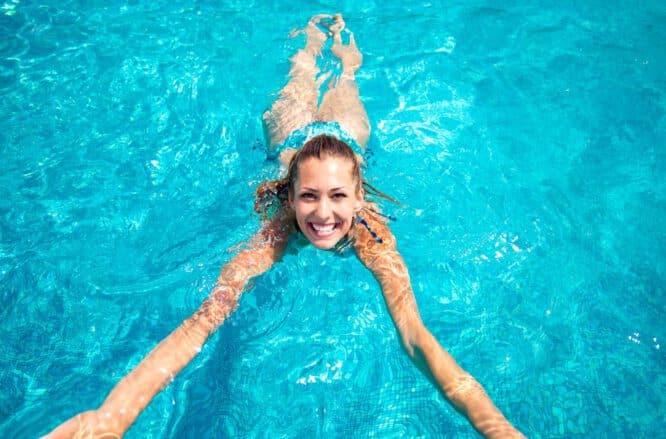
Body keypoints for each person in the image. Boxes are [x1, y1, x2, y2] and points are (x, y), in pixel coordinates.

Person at [46, 14, 524, 438]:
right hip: (292, 139)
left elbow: (415, 336)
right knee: (301, 74)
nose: (322, 215)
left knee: (345, 82)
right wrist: (112, 415)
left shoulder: (371, 235)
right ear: (290, 197)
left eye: (338, 197)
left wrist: (498, 430)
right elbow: (206, 318)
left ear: (359, 197)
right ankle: (312, 40)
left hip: (346, 142)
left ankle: (342, 46)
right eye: (309, 198)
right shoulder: (277, 233)